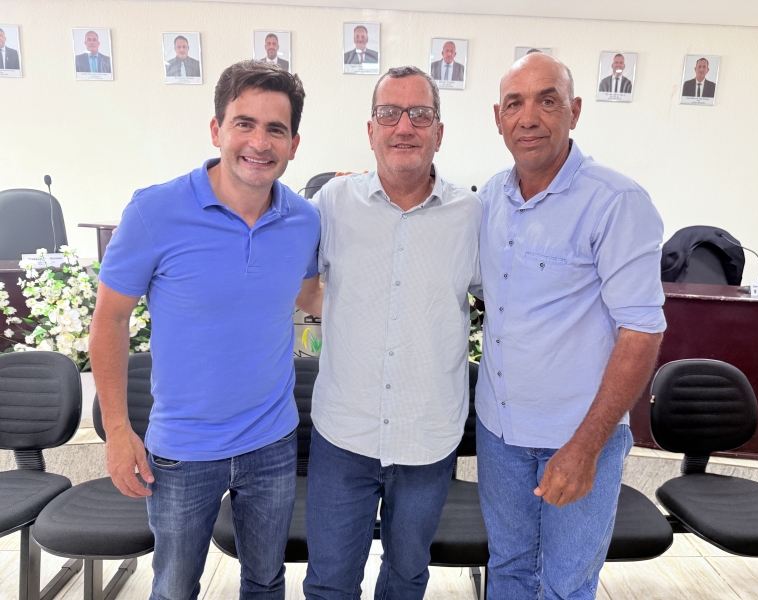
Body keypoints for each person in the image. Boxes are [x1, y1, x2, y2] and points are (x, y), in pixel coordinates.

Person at [89, 60, 321, 599]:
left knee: (266, 580)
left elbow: (310, 297)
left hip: (272, 442)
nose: (259, 142)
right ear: (217, 129)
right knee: (174, 588)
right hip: (183, 450)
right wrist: (118, 431)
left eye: (276, 129)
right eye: (244, 124)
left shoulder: (304, 219)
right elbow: (110, 319)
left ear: (293, 144)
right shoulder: (154, 211)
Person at [477, 52, 665, 599]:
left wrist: (585, 448)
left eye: (547, 100)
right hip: (500, 432)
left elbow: (641, 333)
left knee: (565, 584)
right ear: (498, 117)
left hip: (577, 435)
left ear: (574, 111)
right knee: (508, 568)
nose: (529, 117)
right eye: (515, 103)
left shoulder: (616, 202)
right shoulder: (491, 197)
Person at [302, 65, 482, 600]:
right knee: (329, 584)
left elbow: (502, 301)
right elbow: (303, 289)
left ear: (439, 132)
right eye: (389, 113)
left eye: (420, 114)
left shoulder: (471, 214)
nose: (404, 126)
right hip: (344, 434)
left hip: (427, 437)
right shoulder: (333, 203)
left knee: (406, 579)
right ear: (370, 129)